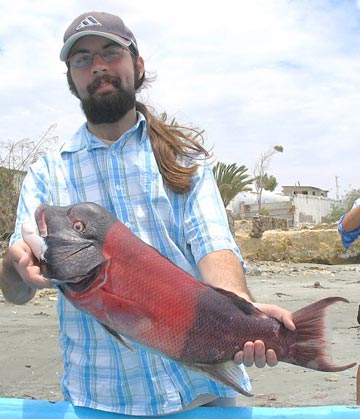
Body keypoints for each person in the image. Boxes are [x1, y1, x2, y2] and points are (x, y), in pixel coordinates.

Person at [0, 12, 295, 416]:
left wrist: (245, 309)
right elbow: (17, 290)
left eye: (110, 52)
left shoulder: (183, 160)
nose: (98, 66)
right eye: (82, 59)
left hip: (203, 392)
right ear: (72, 79)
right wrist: (16, 267)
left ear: (137, 66)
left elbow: (214, 245)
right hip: (101, 401)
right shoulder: (46, 174)